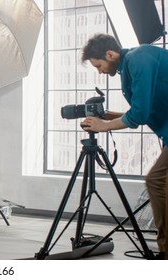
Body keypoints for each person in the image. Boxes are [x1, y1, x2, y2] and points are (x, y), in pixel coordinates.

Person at [80, 33, 168, 260]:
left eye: (99, 65)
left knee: (156, 181)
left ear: (110, 54)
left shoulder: (139, 58)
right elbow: (141, 110)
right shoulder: (129, 65)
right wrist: (109, 117)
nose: (99, 72)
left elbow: (139, 114)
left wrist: (105, 125)